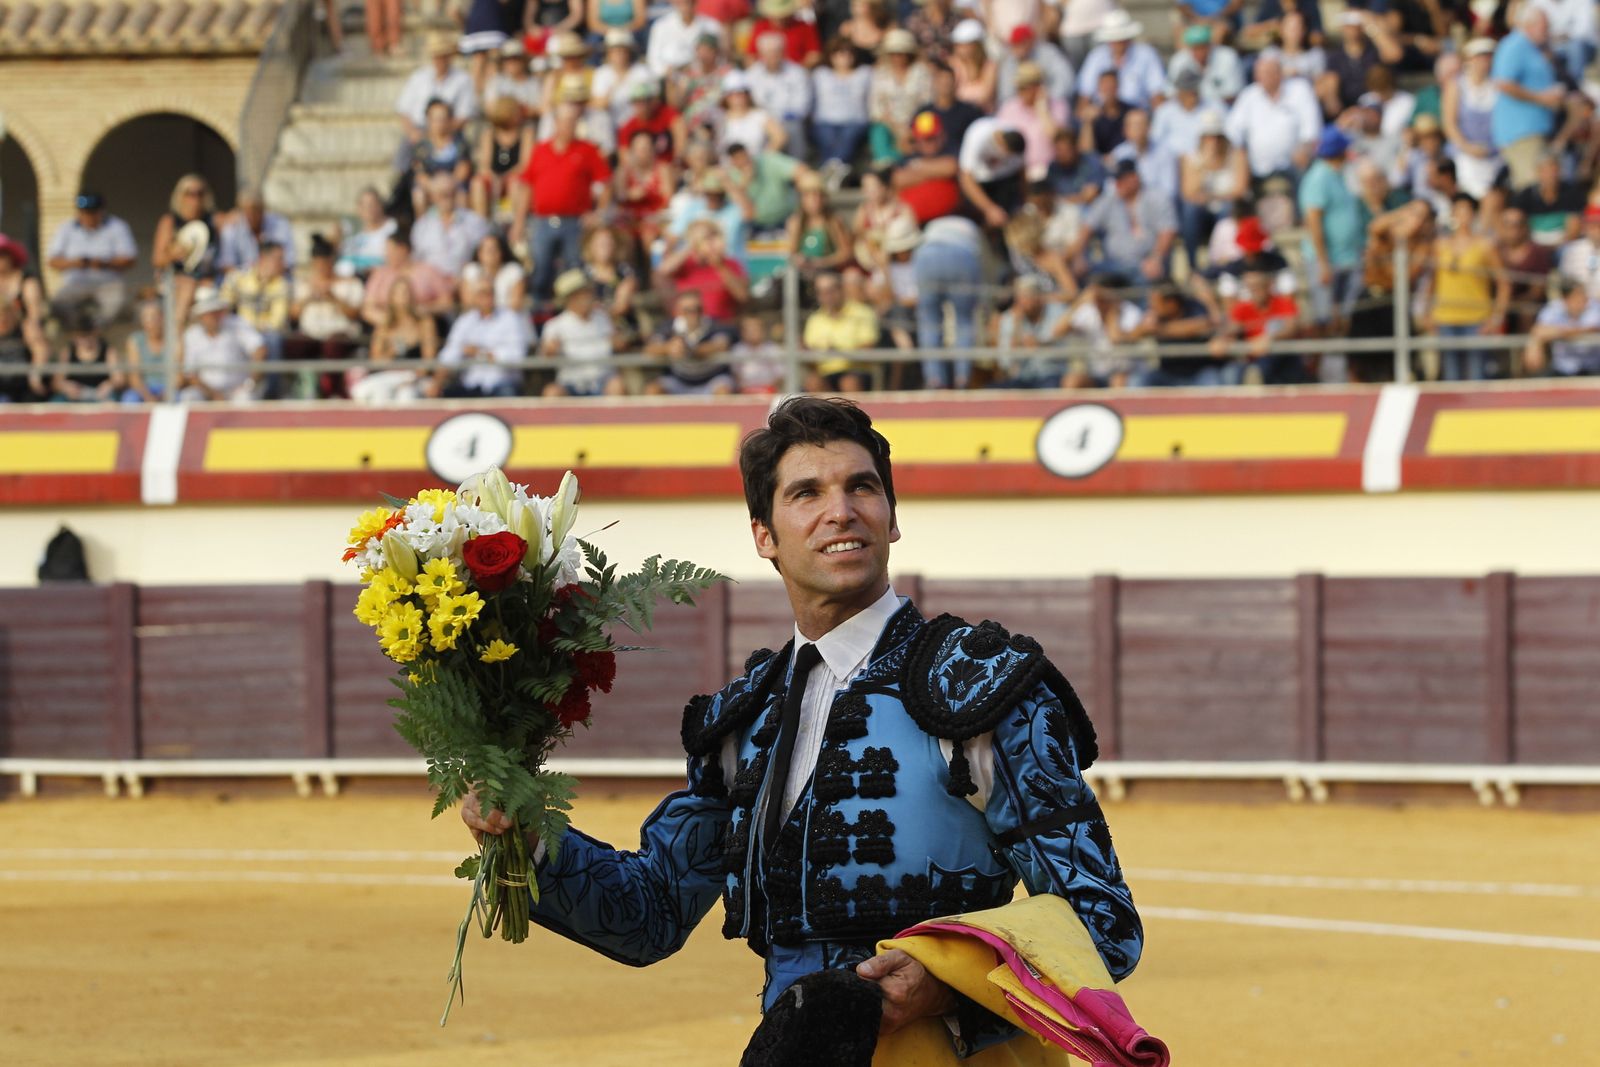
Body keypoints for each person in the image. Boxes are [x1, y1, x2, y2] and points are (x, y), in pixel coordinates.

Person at [463, 397, 1142, 1058]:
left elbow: (1100, 918)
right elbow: (651, 914)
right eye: (806, 493)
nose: (840, 511)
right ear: (764, 535)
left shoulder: (981, 686)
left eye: (862, 487)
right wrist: (531, 841)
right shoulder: (746, 717)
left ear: (892, 518)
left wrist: (944, 981)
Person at [512, 101, 613, 303]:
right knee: (539, 269)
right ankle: (540, 311)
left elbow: (606, 184)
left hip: (575, 222)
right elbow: (527, 187)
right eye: (564, 121)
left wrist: (599, 213)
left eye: (572, 121)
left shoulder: (587, 150)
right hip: (542, 220)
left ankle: (573, 309)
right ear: (556, 123)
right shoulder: (540, 150)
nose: (568, 126)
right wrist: (519, 222)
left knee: (574, 272)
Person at [1422, 192, 1509, 381]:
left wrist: (1496, 317)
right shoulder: (1440, 245)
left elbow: (1503, 283)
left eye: (1467, 211)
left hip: (1477, 318)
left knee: (1477, 375)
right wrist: (1426, 312)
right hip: (1445, 317)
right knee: (1451, 376)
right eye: (1458, 211)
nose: (1462, 216)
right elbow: (1432, 282)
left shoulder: (1485, 245)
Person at [1299, 126, 1364, 336]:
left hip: (1346, 257)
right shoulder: (1318, 177)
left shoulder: (1338, 174)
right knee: (1326, 319)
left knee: (1345, 319)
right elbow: (1313, 222)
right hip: (1328, 260)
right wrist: (1323, 262)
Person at [1492, 8, 1565, 191]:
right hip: (1521, 132)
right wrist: (1541, 98)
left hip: (1536, 130)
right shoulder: (1515, 45)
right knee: (1530, 187)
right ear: (1529, 25)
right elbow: (1503, 83)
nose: (1548, 31)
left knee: (1541, 187)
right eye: (1544, 26)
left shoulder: (1536, 49)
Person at [1072, 159, 1178, 285]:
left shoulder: (1156, 198)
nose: (1117, 184)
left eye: (1121, 180)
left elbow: (1167, 231)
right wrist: (1079, 256)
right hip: (1113, 265)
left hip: (1145, 264)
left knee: (1148, 276)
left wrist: (1156, 258)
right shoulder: (1109, 200)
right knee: (1086, 275)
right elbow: (1087, 227)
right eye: (1116, 180)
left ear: (1134, 178)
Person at [909, 214, 983, 389]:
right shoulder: (970, 224)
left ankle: (934, 379)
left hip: (926, 255)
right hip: (962, 255)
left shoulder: (933, 225)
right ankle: (962, 378)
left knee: (929, 323)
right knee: (964, 322)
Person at [1224, 50, 1322, 183]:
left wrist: (1305, 148)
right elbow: (1233, 131)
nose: (1264, 78)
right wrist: (1240, 153)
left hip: (1294, 167)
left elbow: (1311, 129)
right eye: (1261, 74)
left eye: (1269, 73)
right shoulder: (1249, 95)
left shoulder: (1300, 89)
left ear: (1280, 73)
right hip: (1257, 170)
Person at [287, 235, 366, 399]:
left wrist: (332, 297)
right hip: (310, 334)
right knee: (294, 344)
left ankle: (331, 389)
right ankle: (305, 387)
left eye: (325, 263)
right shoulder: (303, 284)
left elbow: (355, 314)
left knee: (333, 345)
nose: (322, 268)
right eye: (318, 264)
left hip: (340, 334)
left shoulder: (351, 283)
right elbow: (293, 314)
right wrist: (309, 296)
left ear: (332, 262)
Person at [45, 191, 136, 327]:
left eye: (92, 212)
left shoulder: (117, 226)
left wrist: (103, 264)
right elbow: (52, 261)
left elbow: (130, 259)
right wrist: (76, 263)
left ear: (101, 212)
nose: (88, 217)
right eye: (84, 212)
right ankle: (79, 331)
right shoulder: (66, 228)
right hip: (76, 283)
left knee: (117, 305)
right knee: (58, 305)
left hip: (108, 283)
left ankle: (97, 331)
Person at [433, 278, 531, 398]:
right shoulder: (465, 321)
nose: (487, 297)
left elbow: (518, 355)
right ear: (475, 297)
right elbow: (449, 353)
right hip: (470, 385)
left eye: (490, 292)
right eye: (482, 293)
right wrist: (461, 352)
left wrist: (482, 353)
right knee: (443, 394)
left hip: (502, 384)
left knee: (507, 394)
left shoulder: (510, 318)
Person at [352, 277, 440, 403]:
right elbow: (375, 359)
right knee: (366, 392)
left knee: (406, 395)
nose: (403, 297)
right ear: (391, 297)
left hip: (414, 375)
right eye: (398, 293)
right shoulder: (385, 325)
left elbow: (429, 359)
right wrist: (393, 351)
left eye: (406, 293)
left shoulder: (424, 323)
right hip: (390, 374)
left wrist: (414, 377)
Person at [1178, 112, 1248, 269]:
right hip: (1203, 210)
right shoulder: (1191, 158)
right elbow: (1188, 192)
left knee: (1226, 210)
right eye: (1209, 137)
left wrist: (1212, 196)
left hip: (1226, 208)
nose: (1213, 142)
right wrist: (1204, 165)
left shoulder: (1236, 155)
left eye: (1217, 137)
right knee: (1190, 211)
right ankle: (1193, 266)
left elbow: (1240, 190)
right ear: (1201, 138)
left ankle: (1221, 265)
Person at [152, 173, 219, 330]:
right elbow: (157, 260)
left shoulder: (213, 221)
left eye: (200, 193)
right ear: (180, 196)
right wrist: (174, 253)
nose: (195, 198)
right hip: (176, 278)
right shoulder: (170, 222)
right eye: (190, 193)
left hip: (206, 279)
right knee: (188, 285)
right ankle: (178, 331)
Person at [540, 270, 623, 397]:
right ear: (570, 298)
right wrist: (550, 351)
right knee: (552, 393)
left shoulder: (604, 318)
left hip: (602, 381)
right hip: (570, 383)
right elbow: (546, 354)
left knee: (617, 386)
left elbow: (619, 344)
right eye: (581, 294)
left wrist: (619, 341)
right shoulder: (554, 325)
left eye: (587, 292)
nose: (587, 298)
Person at [179, 289, 267, 403]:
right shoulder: (191, 335)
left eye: (216, 311)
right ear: (201, 316)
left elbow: (259, 349)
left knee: (246, 398)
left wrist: (250, 382)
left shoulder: (237, 324)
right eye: (209, 313)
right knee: (189, 397)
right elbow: (190, 373)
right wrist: (213, 394)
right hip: (206, 392)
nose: (214, 316)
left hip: (239, 389)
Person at [645, 288, 738, 394]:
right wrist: (668, 348)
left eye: (698, 309)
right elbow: (650, 348)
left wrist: (691, 351)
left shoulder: (715, 325)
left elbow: (721, 345)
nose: (694, 314)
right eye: (688, 310)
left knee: (723, 390)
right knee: (653, 390)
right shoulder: (668, 327)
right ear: (679, 311)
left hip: (711, 380)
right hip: (679, 380)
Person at [801, 269, 878, 391]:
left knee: (848, 382)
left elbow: (868, 346)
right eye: (821, 292)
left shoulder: (862, 312)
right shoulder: (814, 319)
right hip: (825, 373)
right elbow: (808, 352)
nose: (827, 296)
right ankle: (824, 404)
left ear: (841, 289)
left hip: (856, 370)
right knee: (813, 383)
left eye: (830, 291)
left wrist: (839, 352)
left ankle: (848, 405)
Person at [811, 36, 874, 186]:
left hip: (855, 121)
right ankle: (836, 172)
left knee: (848, 135)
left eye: (849, 53)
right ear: (831, 56)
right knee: (827, 136)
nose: (845, 57)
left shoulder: (865, 73)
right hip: (825, 121)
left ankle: (828, 171)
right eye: (840, 53)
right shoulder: (820, 74)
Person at [990, 274, 1071, 388]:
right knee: (993, 389)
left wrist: (1039, 345)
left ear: (1038, 297)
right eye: (1019, 297)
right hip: (1023, 377)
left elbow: (1054, 342)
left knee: (1050, 389)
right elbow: (1006, 362)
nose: (1022, 301)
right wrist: (1016, 326)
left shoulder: (1056, 311)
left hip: (1052, 374)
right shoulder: (1010, 318)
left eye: (1026, 296)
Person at [1077, 9, 1168, 110]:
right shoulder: (1096, 56)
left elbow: (1157, 92)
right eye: (1113, 39)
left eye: (1121, 38)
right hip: (1103, 113)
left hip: (1137, 112)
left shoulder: (1146, 55)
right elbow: (1085, 94)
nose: (1117, 42)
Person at [748, 29, 815, 161]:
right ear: (761, 54)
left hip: (789, 119)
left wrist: (783, 118)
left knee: (793, 127)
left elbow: (803, 104)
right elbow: (752, 103)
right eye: (768, 53)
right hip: (763, 120)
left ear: (783, 52)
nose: (772, 56)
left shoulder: (797, 72)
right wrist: (768, 120)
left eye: (776, 52)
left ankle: (797, 164)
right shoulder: (752, 74)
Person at [1526, 278, 1600, 376]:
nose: (1582, 298)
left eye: (1582, 294)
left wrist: (1557, 332)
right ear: (1566, 298)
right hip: (1561, 370)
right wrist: (1534, 345)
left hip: (1592, 369)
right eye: (1577, 295)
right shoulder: (1555, 307)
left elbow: (1593, 328)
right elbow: (1539, 331)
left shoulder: (1594, 306)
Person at [218, 186, 296, 274]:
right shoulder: (232, 230)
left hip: (277, 278)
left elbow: (289, 261)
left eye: (256, 211)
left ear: (262, 209)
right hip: (243, 280)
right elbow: (227, 265)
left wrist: (274, 268)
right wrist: (250, 273)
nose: (252, 217)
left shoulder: (280, 225)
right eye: (248, 212)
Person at [51, 314, 125, 403]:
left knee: (112, 401)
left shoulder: (109, 352)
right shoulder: (67, 353)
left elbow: (119, 379)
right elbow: (56, 383)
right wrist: (66, 387)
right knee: (57, 401)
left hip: (101, 396)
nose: (85, 340)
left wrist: (109, 384)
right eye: (81, 336)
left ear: (96, 333)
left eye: (88, 335)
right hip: (75, 397)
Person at [123, 299, 173, 403]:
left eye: (154, 317)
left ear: (162, 318)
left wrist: (164, 395)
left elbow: (179, 376)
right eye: (146, 317)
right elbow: (134, 377)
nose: (151, 321)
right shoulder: (135, 340)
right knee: (130, 399)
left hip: (170, 388)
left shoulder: (173, 339)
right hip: (144, 388)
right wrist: (148, 397)